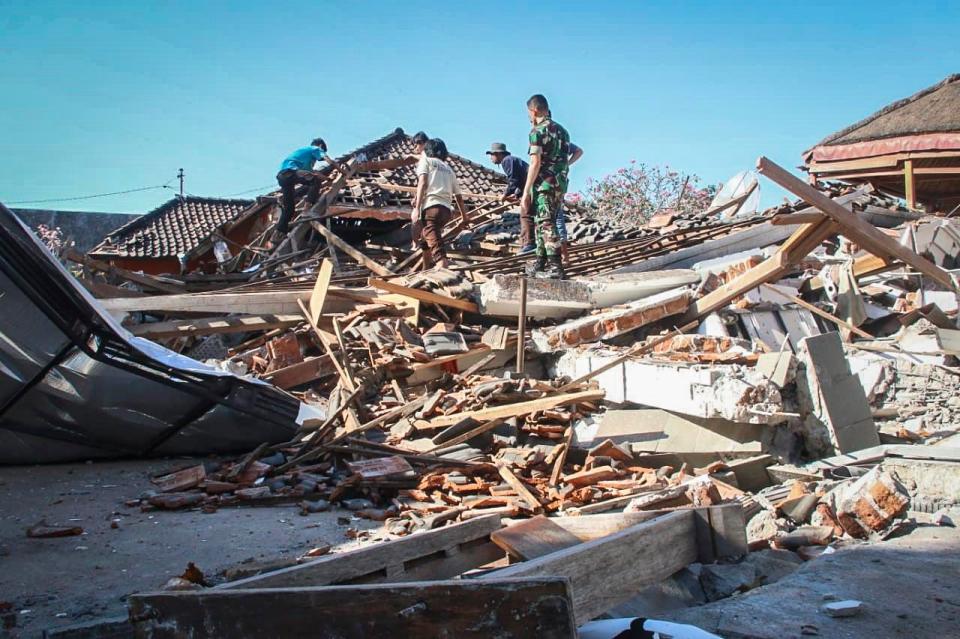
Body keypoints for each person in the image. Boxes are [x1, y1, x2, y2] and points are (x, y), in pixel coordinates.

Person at [521, 95, 571, 279]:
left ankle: (556, 267)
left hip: (544, 184)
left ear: (533, 111)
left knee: (546, 223)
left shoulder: (537, 131)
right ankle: (540, 263)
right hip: (560, 184)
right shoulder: (563, 131)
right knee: (542, 223)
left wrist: (526, 191)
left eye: (528, 114)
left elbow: (535, 162)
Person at [412, 139, 468, 270]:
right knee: (426, 241)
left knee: (438, 253)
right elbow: (459, 197)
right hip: (446, 211)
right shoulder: (449, 169)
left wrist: (416, 208)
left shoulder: (426, 161)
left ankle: (443, 272)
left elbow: (422, 183)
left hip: (431, 209)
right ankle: (425, 270)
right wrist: (464, 217)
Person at [275, 138, 348, 235]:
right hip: (291, 172)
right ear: (321, 146)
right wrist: (342, 171)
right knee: (315, 181)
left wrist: (328, 179)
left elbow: (314, 173)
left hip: (283, 177)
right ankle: (306, 210)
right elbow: (330, 161)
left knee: (289, 208)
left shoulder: (305, 158)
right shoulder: (315, 148)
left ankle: (278, 234)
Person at [485, 142, 534, 254]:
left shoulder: (507, 161)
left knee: (525, 215)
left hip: (532, 188)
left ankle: (529, 244)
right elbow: (521, 180)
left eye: (492, 155)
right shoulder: (512, 160)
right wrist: (516, 194)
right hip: (531, 187)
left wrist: (505, 194)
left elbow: (514, 180)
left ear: (498, 154)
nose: (491, 158)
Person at [556, 141, 583, 263]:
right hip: (559, 181)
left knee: (555, 218)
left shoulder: (556, 140)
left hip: (551, 182)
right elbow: (578, 151)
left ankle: (563, 255)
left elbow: (579, 151)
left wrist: (566, 164)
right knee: (556, 217)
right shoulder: (561, 139)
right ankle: (563, 255)